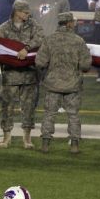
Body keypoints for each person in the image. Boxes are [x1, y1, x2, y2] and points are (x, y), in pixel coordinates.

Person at [36, 11, 91, 154]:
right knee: (73, 115)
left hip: (52, 84)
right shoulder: (78, 41)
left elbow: (40, 62)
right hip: (72, 85)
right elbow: (86, 66)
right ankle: (74, 145)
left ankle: (46, 144)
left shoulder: (49, 40)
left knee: (49, 114)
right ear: (69, 23)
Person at [0, 3, 42, 150]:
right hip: (10, 75)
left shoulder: (33, 25)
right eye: (25, 12)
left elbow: (41, 38)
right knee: (7, 107)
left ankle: (27, 139)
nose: (28, 15)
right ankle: (6, 137)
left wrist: (26, 48)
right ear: (17, 12)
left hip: (29, 74)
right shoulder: (4, 28)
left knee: (28, 107)